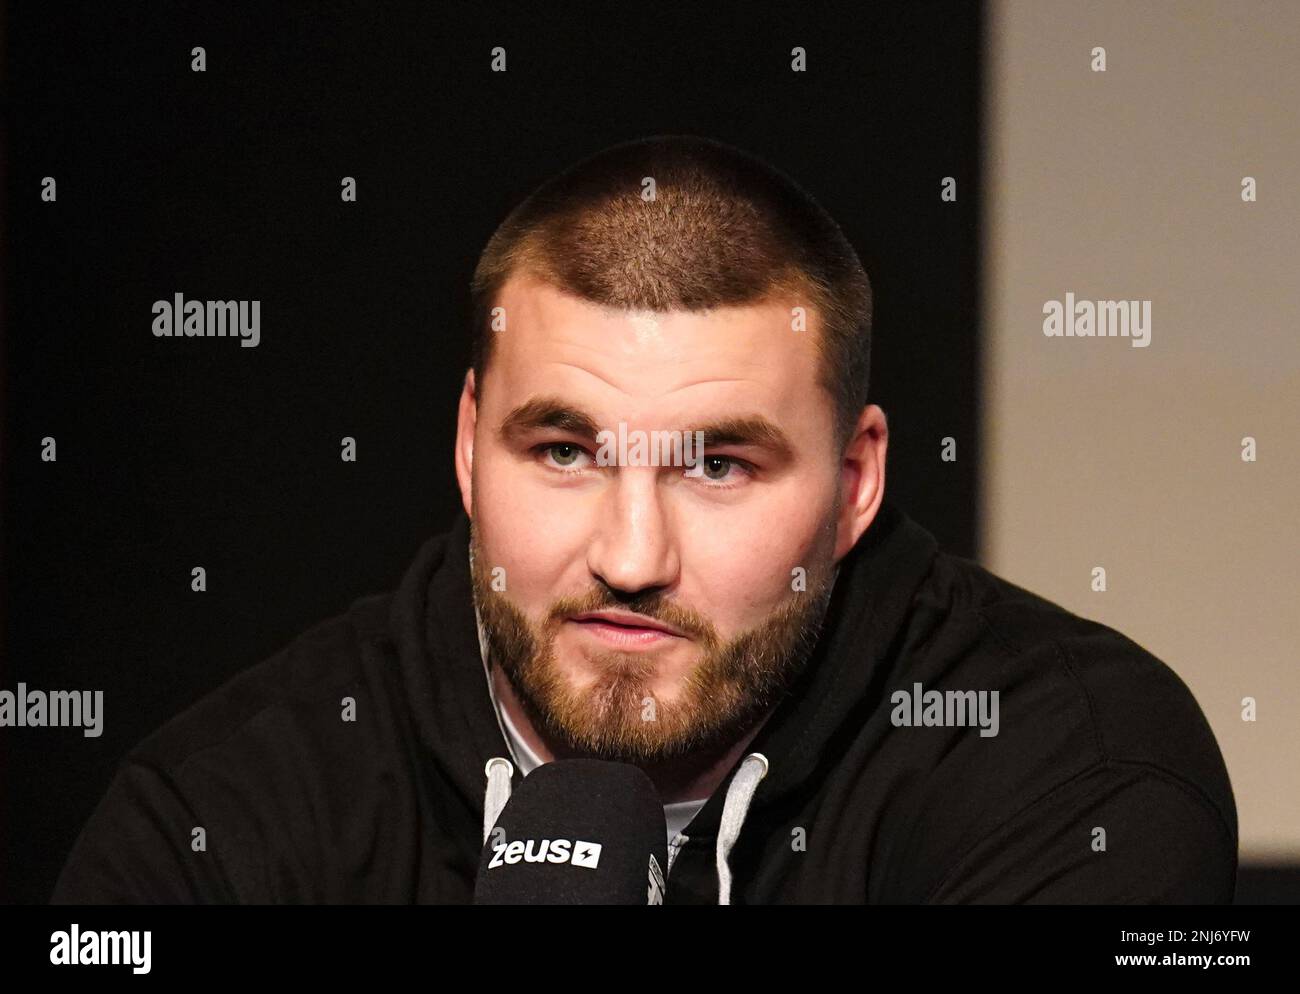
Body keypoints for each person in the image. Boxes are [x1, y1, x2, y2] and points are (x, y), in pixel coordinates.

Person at [52, 134, 1237, 904]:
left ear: (856, 480)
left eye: (718, 466)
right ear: (469, 445)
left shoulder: (1073, 777)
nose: (629, 558)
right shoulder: (225, 819)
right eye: (563, 452)